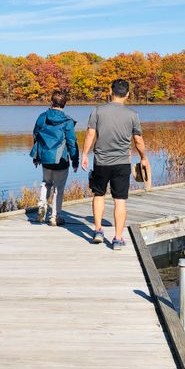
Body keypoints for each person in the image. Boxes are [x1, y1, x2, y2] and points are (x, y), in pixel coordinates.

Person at [80, 79, 148, 251]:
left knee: (99, 195)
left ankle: (97, 231)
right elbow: (138, 140)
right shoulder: (133, 115)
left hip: (101, 162)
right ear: (127, 95)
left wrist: (84, 154)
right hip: (122, 163)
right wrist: (144, 157)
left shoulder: (97, 111)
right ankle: (117, 239)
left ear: (110, 91)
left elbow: (90, 134)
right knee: (120, 201)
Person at [30, 90, 79, 226]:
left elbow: (36, 136)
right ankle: (54, 217)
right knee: (59, 188)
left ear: (52, 102)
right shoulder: (67, 121)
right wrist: (75, 160)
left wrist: (36, 156)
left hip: (45, 158)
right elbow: (71, 142)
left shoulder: (42, 117)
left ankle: (42, 206)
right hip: (61, 160)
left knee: (46, 183)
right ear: (64, 104)